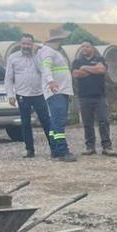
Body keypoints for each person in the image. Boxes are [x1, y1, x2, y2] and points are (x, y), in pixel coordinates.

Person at [4, 34, 52, 158]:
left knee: (46, 121)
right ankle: (29, 150)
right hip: (22, 95)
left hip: (38, 94)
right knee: (25, 123)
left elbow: (43, 70)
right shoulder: (13, 58)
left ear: (32, 44)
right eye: (24, 43)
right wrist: (10, 95)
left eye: (29, 44)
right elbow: (8, 78)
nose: (26, 46)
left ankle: (55, 147)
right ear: (20, 43)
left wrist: (35, 54)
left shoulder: (38, 56)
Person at [38, 28, 76, 162]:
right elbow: (46, 68)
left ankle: (55, 150)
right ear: (57, 40)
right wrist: (51, 81)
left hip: (60, 91)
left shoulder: (52, 52)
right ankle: (62, 151)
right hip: (56, 91)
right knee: (59, 121)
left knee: (55, 122)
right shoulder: (48, 52)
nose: (63, 42)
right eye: (62, 39)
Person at [72, 40, 112, 155]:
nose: (85, 48)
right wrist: (93, 70)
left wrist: (84, 68)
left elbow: (102, 70)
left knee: (103, 121)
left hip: (100, 96)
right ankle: (90, 147)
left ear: (92, 48)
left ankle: (107, 146)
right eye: (83, 46)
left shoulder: (100, 59)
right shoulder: (77, 61)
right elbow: (76, 74)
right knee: (87, 123)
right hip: (84, 96)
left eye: (87, 46)